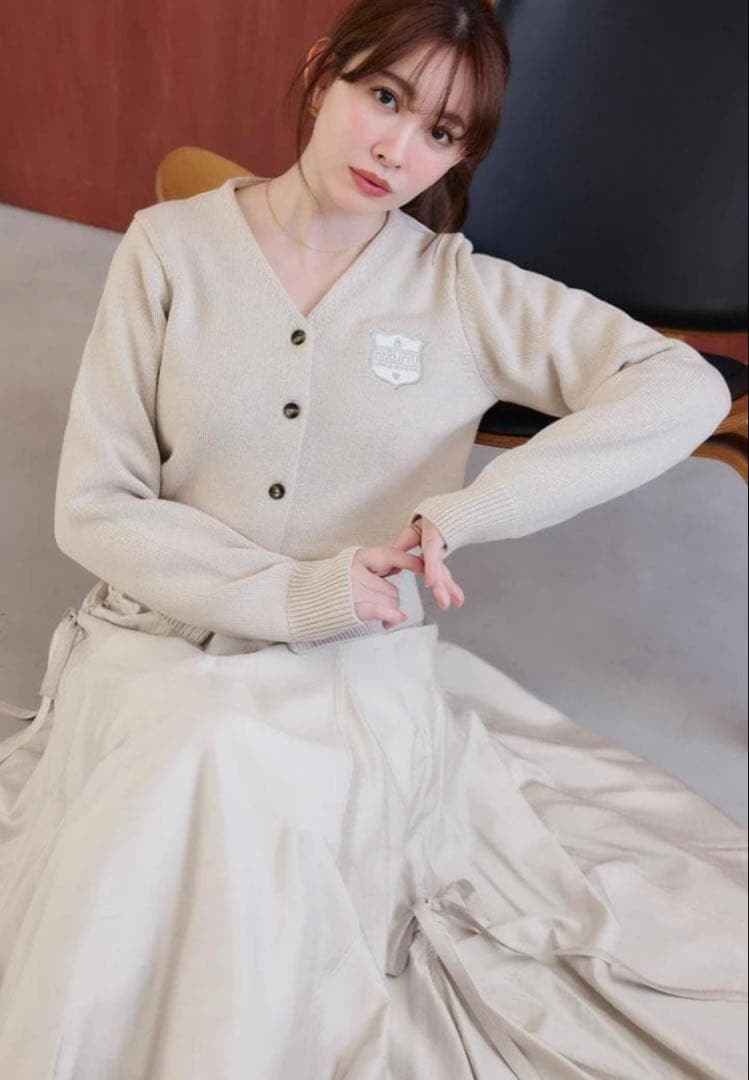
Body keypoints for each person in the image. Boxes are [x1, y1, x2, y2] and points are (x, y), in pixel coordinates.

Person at [1, 0, 746, 1076]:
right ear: (323, 74)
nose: (397, 149)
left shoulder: (461, 292)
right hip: (157, 638)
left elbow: (678, 385)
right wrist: (294, 593)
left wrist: (463, 513)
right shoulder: (170, 249)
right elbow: (95, 504)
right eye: (383, 97)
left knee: (229, 777)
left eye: (440, 131)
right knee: (194, 759)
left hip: (351, 667)